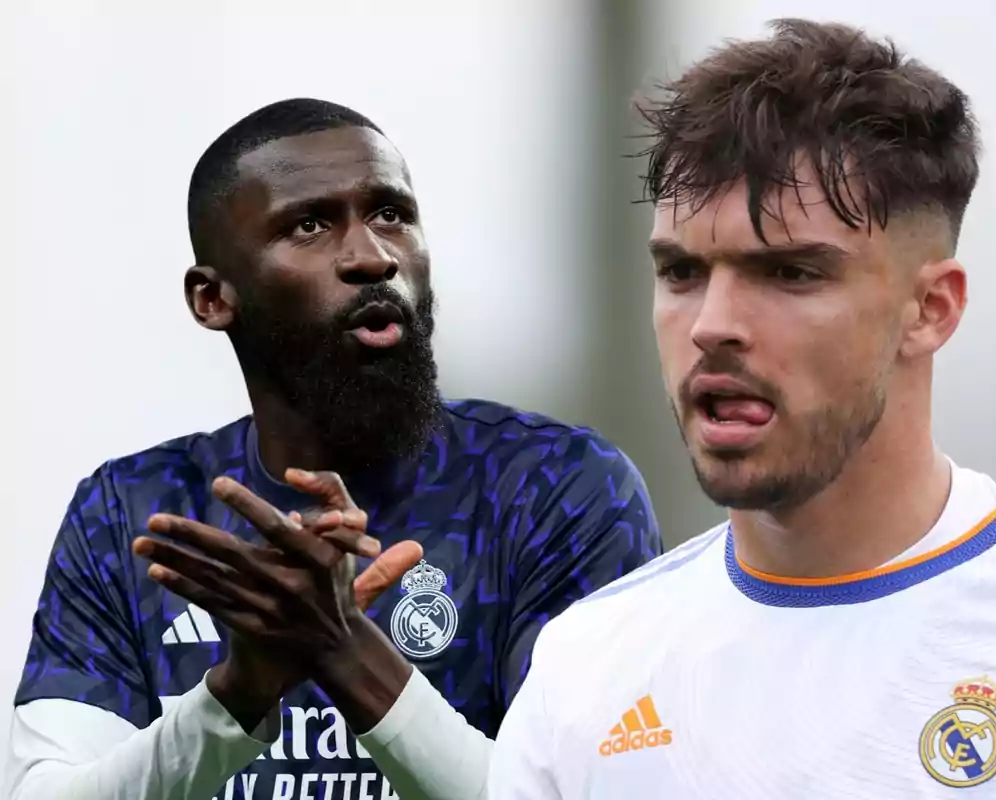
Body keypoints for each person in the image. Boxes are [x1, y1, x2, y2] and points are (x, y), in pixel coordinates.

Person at [486, 18, 996, 799]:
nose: (714, 324)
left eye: (789, 273)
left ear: (930, 308)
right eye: (683, 272)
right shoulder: (585, 670)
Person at [6, 98, 662, 800]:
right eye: (310, 225)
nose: (372, 257)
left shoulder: (556, 487)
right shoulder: (133, 514)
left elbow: (586, 791)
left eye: (391, 215)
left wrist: (345, 650)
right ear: (212, 298)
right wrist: (236, 696)